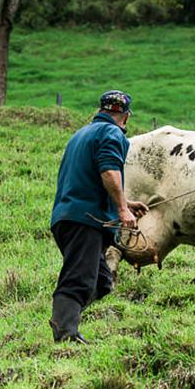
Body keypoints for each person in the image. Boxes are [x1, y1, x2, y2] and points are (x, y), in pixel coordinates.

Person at [49, 90, 148, 344]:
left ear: (102, 110)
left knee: (102, 281)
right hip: (86, 219)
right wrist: (123, 210)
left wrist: (126, 202)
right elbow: (108, 171)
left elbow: (93, 175)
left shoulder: (80, 134)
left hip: (67, 216)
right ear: (125, 117)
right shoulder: (112, 133)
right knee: (79, 277)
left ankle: (66, 318)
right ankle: (65, 332)